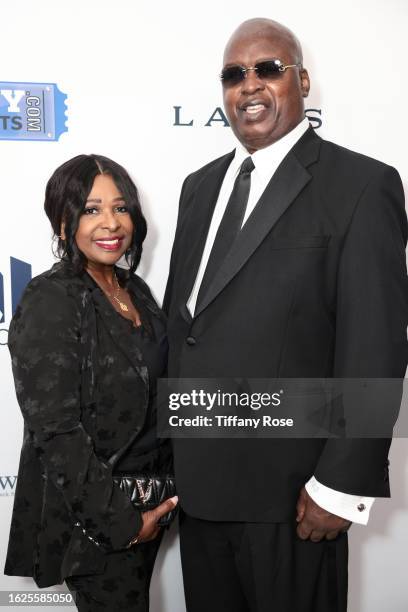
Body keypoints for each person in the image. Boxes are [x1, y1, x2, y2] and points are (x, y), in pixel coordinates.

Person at [163, 18, 408, 612]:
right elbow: (190, 330)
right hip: (199, 492)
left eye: (267, 69)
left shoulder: (361, 184)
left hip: (293, 499)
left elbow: (374, 345)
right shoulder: (199, 187)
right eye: (233, 74)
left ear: (301, 80)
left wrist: (341, 486)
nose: (249, 86)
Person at [4, 154, 178, 611]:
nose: (111, 223)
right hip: (98, 523)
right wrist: (121, 524)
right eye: (91, 209)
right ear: (64, 223)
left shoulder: (133, 289)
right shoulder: (52, 297)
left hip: (151, 505)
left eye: (121, 208)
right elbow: (55, 431)